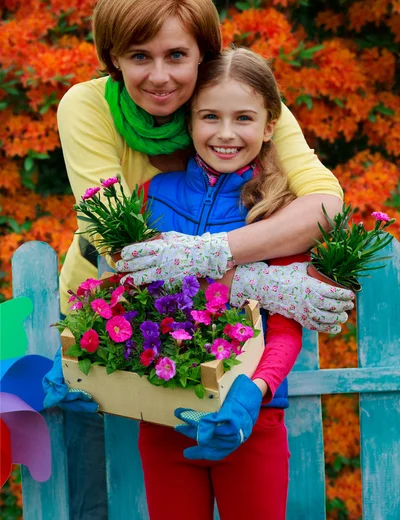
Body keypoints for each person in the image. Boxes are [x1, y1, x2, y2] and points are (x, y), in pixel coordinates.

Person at [45, 0, 354, 519]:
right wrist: (263, 281)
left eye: (176, 56)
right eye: (139, 56)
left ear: (204, 55)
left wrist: (216, 255)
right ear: (113, 57)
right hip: (119, 329)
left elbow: (326, 207)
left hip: (231, 361)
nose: (159, 76)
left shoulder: (239, 102)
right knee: (93, 493)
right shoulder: (87, 107)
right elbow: (118, 240)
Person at [120, 46, 315, 519]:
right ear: (190, 121)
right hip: (166, 412)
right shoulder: (151, 197)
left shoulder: (281, 213)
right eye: (210, 116)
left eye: (244, 118)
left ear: (270, 126)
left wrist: (256, 392)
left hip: (251, 421)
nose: (225, 134)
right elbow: (125, 299)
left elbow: (287, 326)